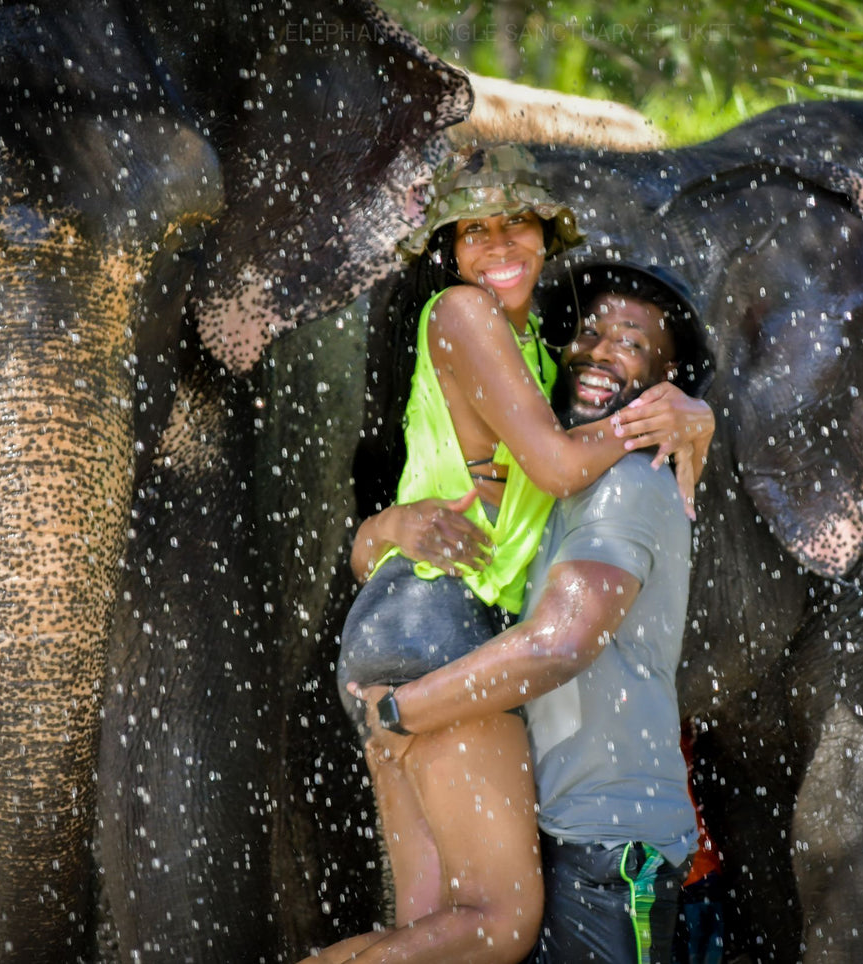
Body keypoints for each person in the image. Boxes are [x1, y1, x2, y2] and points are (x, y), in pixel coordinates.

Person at [304, 149, 713, 964]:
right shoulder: (464, 314)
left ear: (543, 234)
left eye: (513, 224)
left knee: (431, 936)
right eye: (473, 231)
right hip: (439, 633)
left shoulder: (530, 359)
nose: (495, 246)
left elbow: (389, 546)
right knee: (496, 926)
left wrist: (383, 530)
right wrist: (670, 413)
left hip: (400, 630)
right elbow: (560, 467)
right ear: (450, 253)